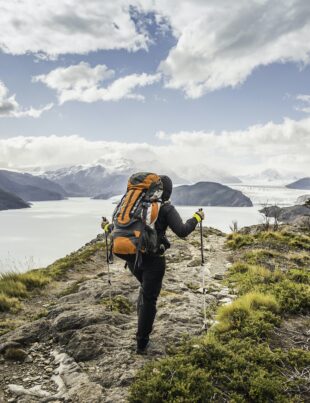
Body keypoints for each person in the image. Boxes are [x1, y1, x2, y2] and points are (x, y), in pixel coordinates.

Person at [102, 175, 204, 354]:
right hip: (154, 260)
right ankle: (142, 343)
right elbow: (182, 231)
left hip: (132, 257)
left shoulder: (135, 206)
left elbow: (119, 228)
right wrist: (197, 217)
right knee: (149, 298)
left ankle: (142, 326)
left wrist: (105, 227)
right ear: (167, 191)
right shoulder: (164, 208)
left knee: (145, 290)